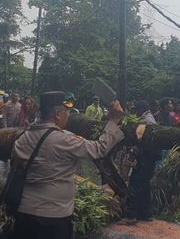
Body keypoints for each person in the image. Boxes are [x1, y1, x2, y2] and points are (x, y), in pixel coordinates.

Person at [10, 91, 124, 238]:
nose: (68, 115)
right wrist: (114, 121)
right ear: (58, 113)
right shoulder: (64, 140)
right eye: (67, 111)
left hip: (23, 213)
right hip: (53, 218)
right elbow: (98, 149)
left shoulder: (22, 138)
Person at [124, 100, 161, 223]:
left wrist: (133, 150)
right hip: (149, 159)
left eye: (136, 110)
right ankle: (146, 214)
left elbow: (141, 142)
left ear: (142, 110)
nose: (135, 112)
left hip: (146, 159)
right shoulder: (150, 119)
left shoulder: (145, 122)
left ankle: (131, 215)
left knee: (135, 184)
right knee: (144, 186)